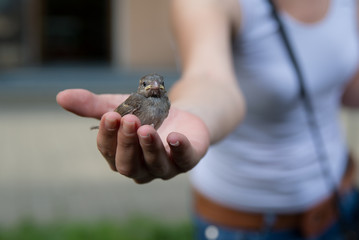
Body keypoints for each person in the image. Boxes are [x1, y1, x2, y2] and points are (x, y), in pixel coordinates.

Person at [57, 0, 359, 239]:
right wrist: (192, 115)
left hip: (341, 200)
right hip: (248, 224)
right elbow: (208, 79)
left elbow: (343, 86)